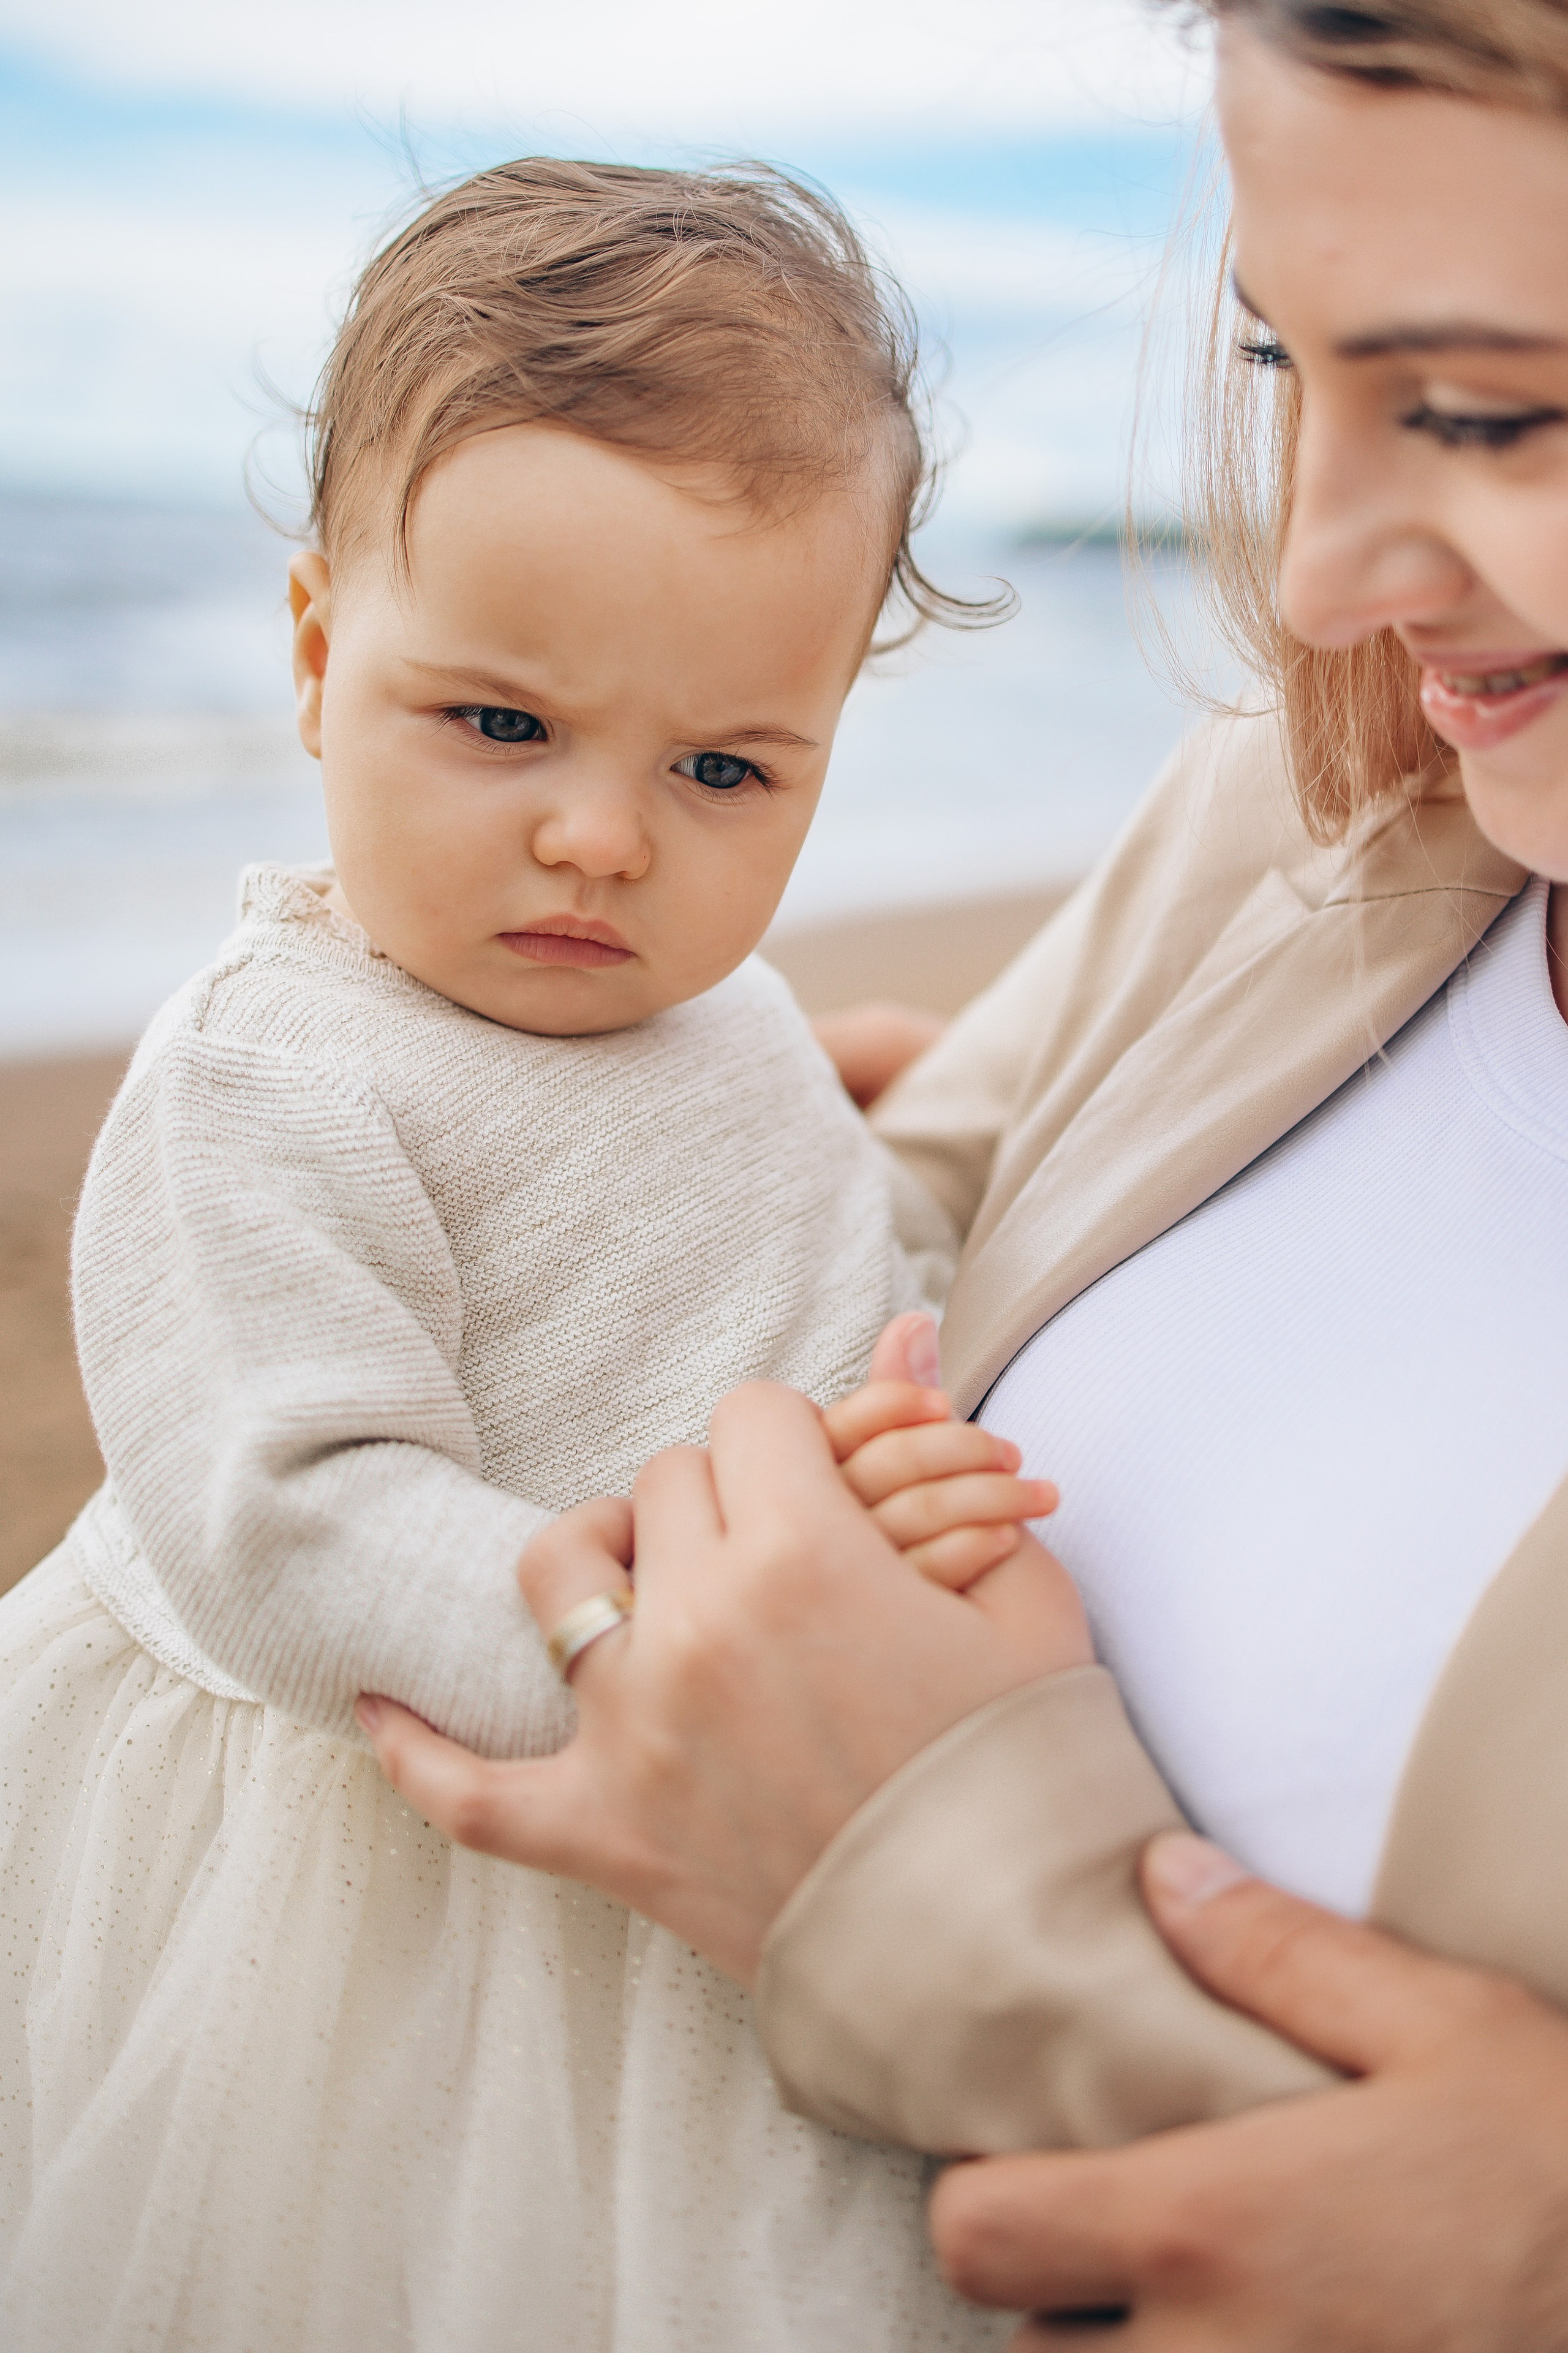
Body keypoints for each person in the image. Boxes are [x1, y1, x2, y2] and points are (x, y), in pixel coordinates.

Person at [362, 4, 1568, 2341]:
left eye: (1502, 407)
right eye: (1284, 363)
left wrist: (905, 1879)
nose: (1320, 577)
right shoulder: (1325, 812)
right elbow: (857, 1215)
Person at [0, 157, 1082, 2353]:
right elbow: (284, 1520)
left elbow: (797, 1268)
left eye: (723, 765)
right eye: (500, 725)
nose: (604, 832)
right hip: (417, 1870)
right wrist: (660, 1643)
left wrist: (931, 1299)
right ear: (318, 653)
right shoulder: (268, 1076)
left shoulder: (736, 1011)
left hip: (715, 1849)